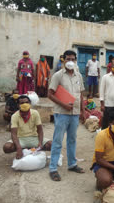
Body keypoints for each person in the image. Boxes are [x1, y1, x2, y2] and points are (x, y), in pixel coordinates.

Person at [48, 50, 86, 181]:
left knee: (72, 140)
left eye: (73, 59)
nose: (70, 61)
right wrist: (63, 105)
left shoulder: (78, 76)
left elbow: (81, 94)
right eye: (68, 59)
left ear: (75, 61)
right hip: (62, 113)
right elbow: (50, 94)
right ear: (63, 60)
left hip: (75, 113)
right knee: (58, 140)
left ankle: (72, 164)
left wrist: (83, 111)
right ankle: (53, 168)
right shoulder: (58, 75)